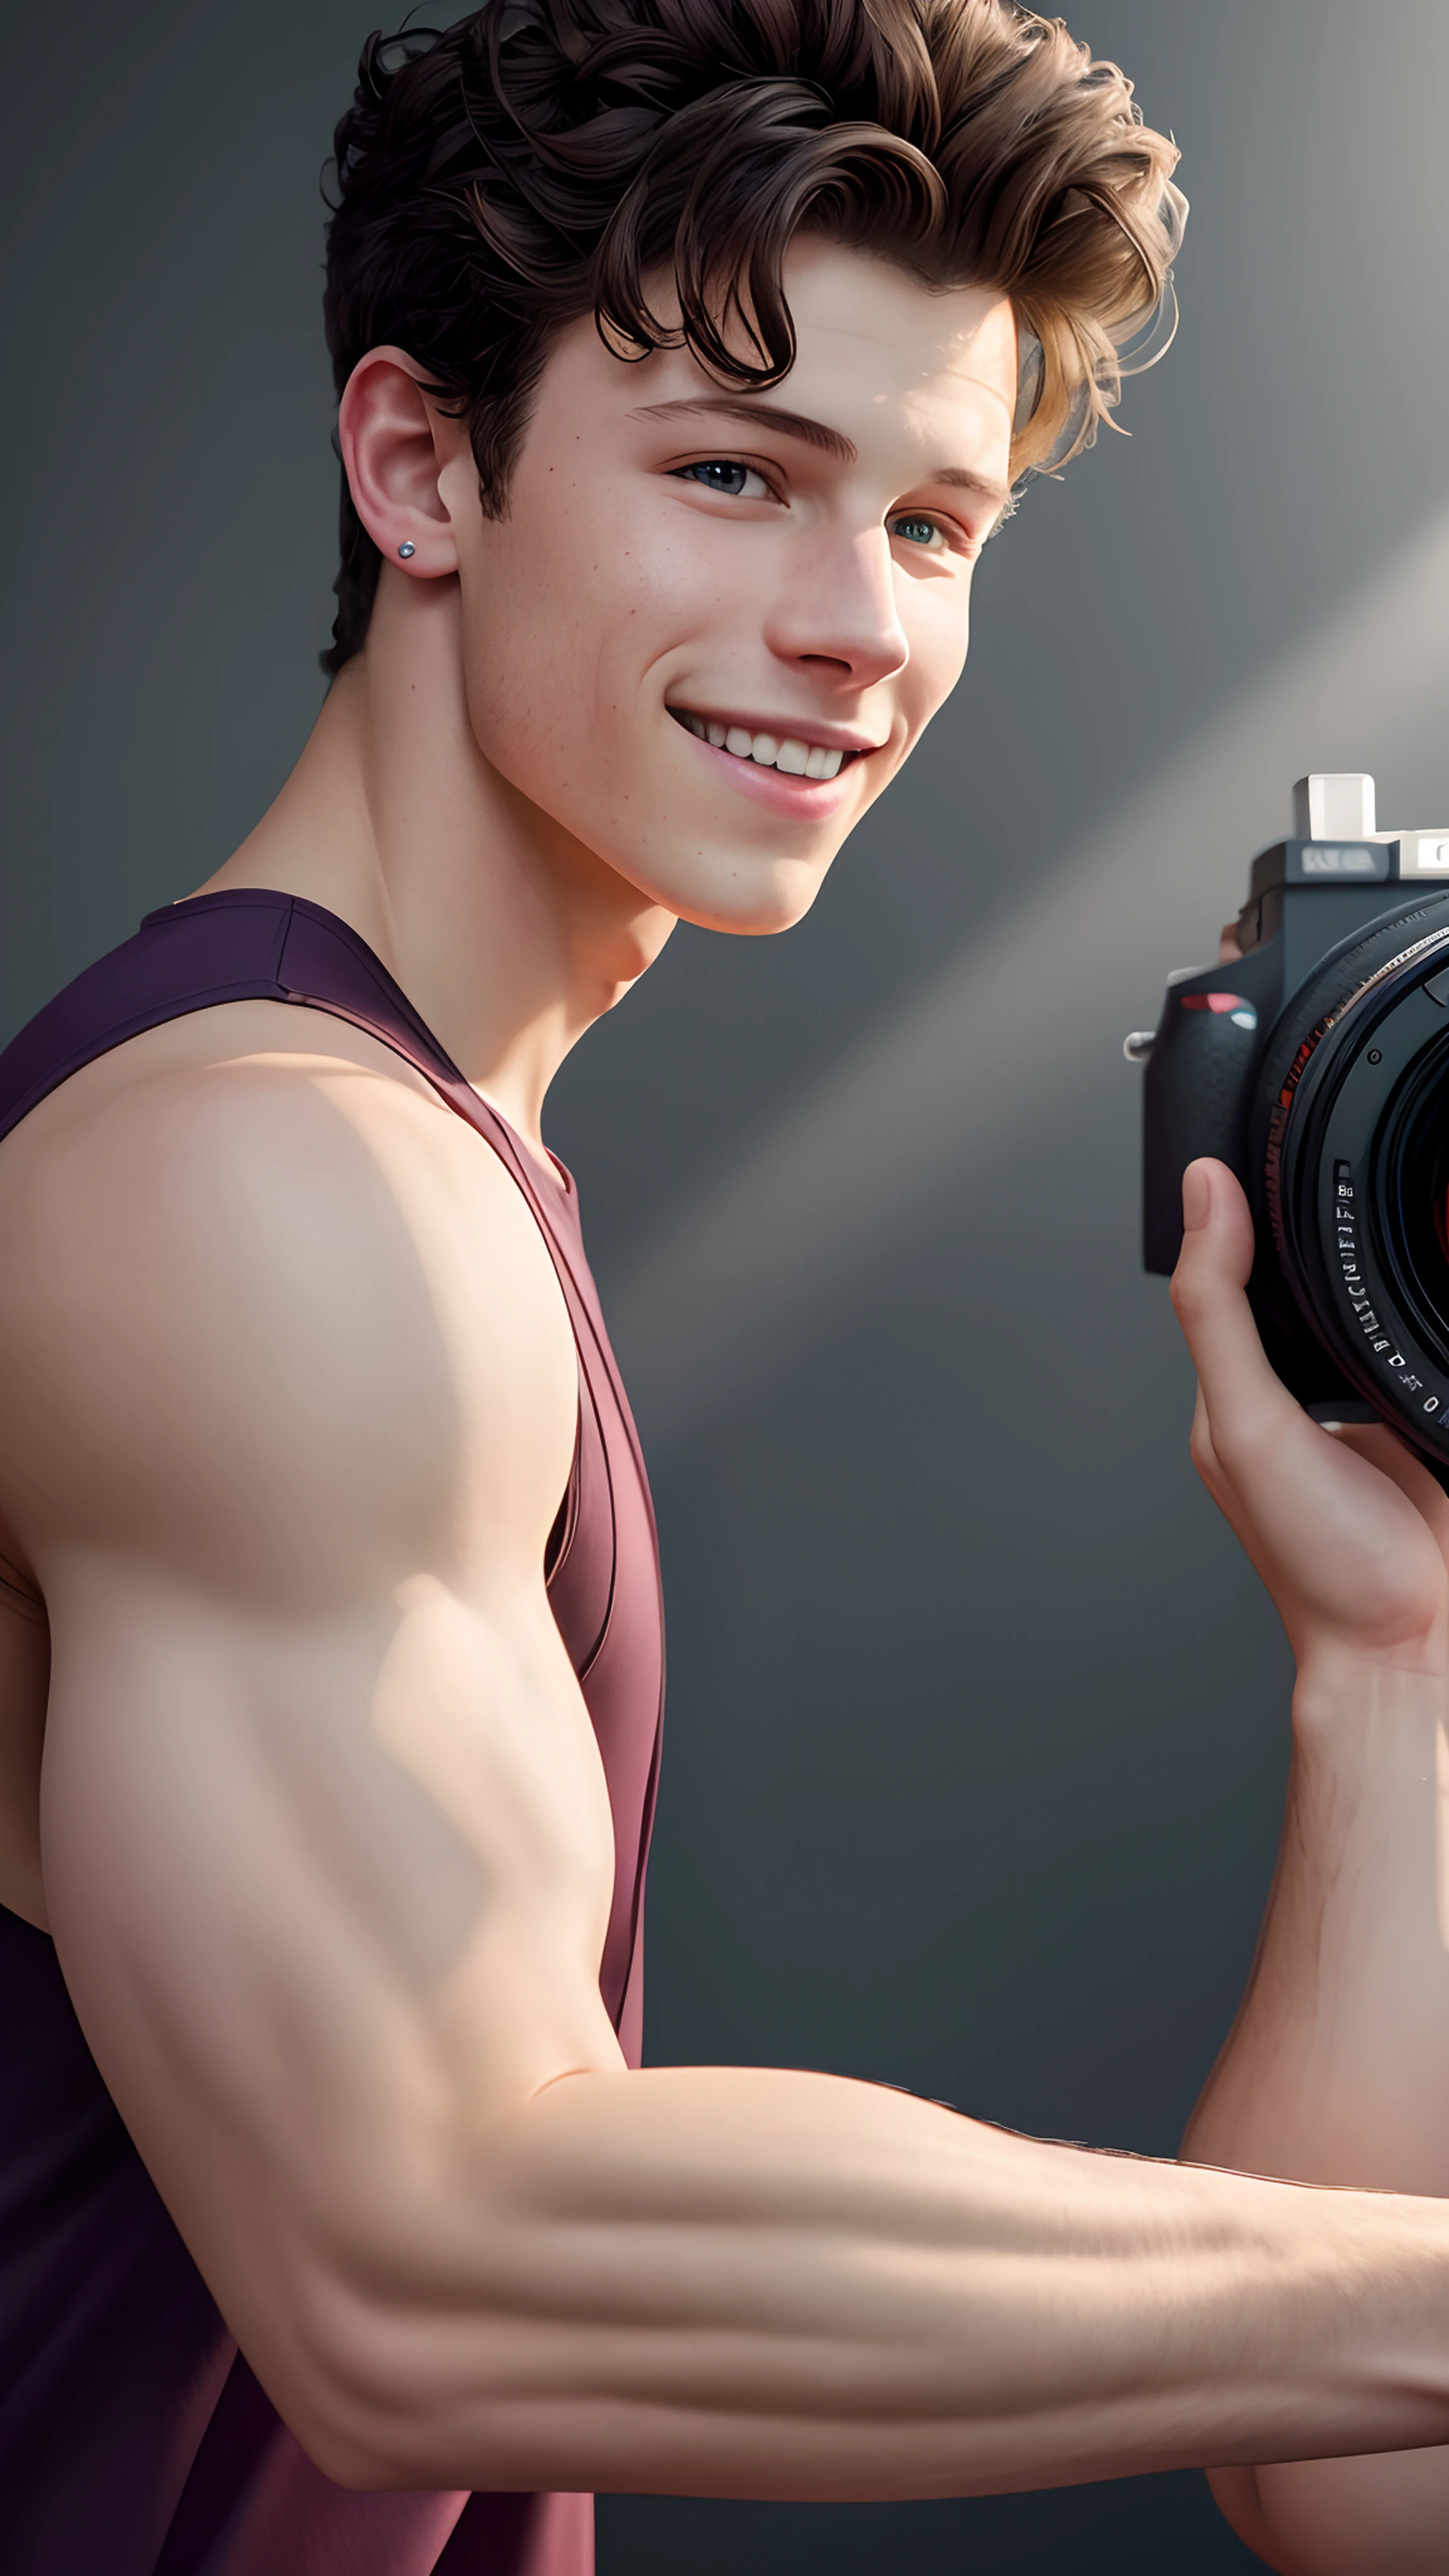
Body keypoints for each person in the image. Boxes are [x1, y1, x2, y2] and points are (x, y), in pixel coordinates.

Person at [1, 4, 1448, 2572]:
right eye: (734, 476)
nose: (857, 626)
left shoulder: (436, 1169)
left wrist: (1389, 1673)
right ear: (421, 462)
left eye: (931, 524)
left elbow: (1349, 2488)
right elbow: (426, 2274)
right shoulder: (256, 1187)